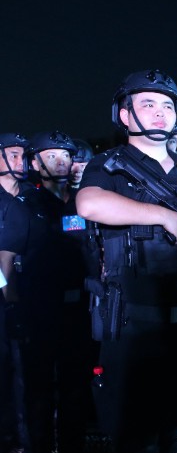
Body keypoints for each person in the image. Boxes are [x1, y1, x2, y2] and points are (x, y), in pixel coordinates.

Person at [76, 69, 177, 452]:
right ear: (125, 115)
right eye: (148, 104)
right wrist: (163, 216)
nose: (159, 112)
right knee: (134, 434)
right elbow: (89, 203)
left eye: (167, 106)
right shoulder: (109, 164)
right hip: (133, 325)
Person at [15, 131, 95, 453]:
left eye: (66, 155)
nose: (61, 162)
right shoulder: (25, 205)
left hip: (79, 308)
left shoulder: (83, 202)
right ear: (35, 163)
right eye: (51, 156)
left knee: (76, 386)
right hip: (39, 310)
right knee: (40, 389)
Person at [0, 133, 32, 453]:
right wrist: (8, 294)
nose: (20, 161)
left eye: (23, 155)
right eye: (12, 154)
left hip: (34, 295)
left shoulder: (31, 198)